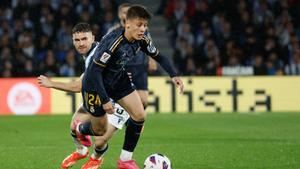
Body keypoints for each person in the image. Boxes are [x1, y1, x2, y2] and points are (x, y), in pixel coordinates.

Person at [76, 5, 184, 169]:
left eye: (145, 25)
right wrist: (105, 100)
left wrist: (173, 74)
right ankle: (80, 129)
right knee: (99, 131)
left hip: (118, 80)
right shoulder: (113, 42)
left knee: (139, 115)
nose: (143, 29)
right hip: (95, 85)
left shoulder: (142, 39)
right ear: (127, 24)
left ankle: (125, 160)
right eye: (139, 25)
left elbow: (158, 56)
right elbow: (94, 72)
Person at [38, 23, 130, 169]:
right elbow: (89, 77)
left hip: (118, 100)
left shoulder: (97, 54)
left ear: (92, 38)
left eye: (84, 39)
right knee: (74, 124)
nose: (81, 43)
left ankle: (96, 158)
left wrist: (51, 83)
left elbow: (78, 86)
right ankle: (81, 151)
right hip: (97, 95)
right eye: (77, 40)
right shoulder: (91, 53)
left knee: (100, 139)